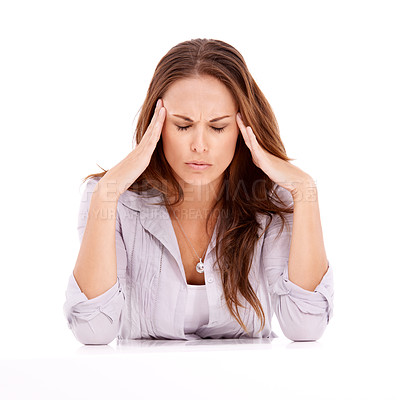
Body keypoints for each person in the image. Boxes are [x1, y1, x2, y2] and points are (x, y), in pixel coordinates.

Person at [63, 38, 334, 345]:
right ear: (157, 124)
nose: (200, 145)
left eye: (218, 127)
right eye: (182, 125)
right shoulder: (111, 199)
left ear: (243, 130)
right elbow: (93, 331)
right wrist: (107, 195)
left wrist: (305, 191)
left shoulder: (272, 200)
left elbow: (306, 327)